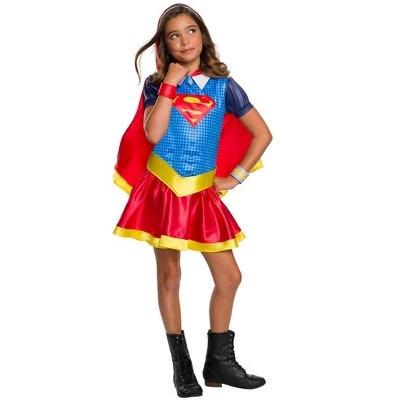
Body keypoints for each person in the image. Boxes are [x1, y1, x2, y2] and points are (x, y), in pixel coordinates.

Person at [113, 3, 273, 397]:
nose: (184, 41)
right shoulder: (157, 85)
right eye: (174, 35)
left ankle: (218, 360)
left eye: (190, 31)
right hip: (163, 189)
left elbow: (262, 134)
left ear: (203, 35)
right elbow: (153, 134)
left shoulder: (225, 86)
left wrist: (236, 177)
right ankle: (182, 367)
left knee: (230, 276)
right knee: (170, 276)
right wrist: (170, 82)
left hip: (202, 192)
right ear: (164, 45)